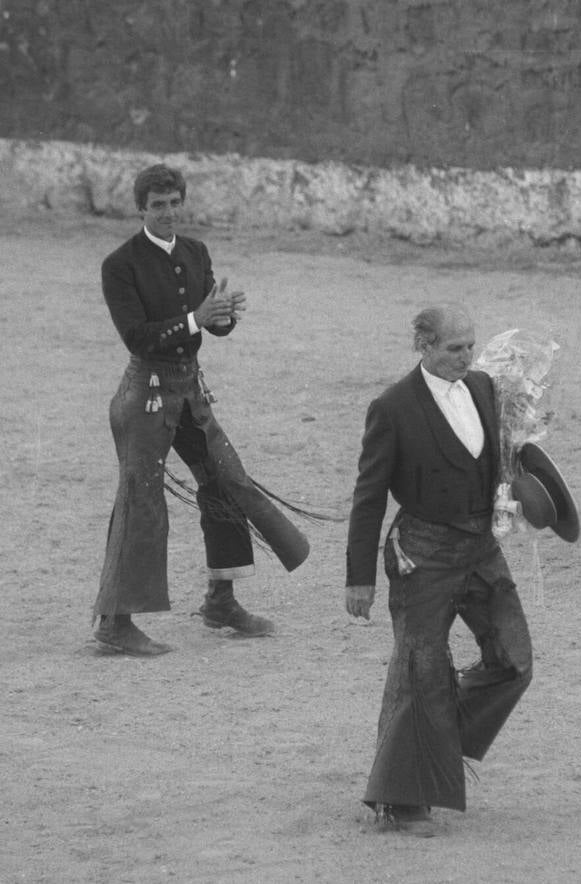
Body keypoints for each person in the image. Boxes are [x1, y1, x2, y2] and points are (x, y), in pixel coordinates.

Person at [93, 164, 310, 656]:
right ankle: (113, 620)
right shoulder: (119, 264)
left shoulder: (195, 253)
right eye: (158, 206)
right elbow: (137, 336)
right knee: (141, 498)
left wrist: (224, 315)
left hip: (190, 391)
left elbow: (212, 326)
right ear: (140, 209)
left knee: (226, 482)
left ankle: (221, 600)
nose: (169, 213)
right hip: (145, 394)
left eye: (175, 204)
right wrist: (197, 317)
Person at [345, 304, 532, 836]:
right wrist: (359, 576)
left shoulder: (484, 389)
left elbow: (504, 459)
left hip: (479, 547)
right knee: (419, 669)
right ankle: (399, 800)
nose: (466, 357)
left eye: (470, 346)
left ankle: (434, 742)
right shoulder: (393, 407)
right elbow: (368, 495)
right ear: (423, 346)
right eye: (454, 348)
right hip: (422, 554)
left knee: (514, 660)